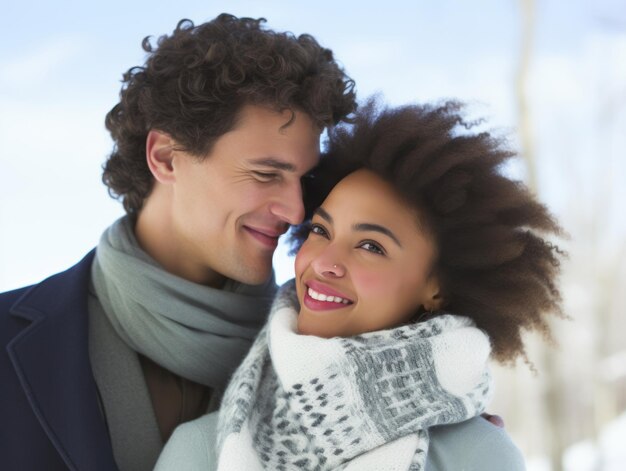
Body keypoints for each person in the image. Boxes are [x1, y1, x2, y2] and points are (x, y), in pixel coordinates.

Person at [0, 13, 356, 471]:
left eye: (302, 180)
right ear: (166, 158)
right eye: (266, 174)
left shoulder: (332, 354)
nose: (294, 211)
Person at [155, 100, 565, 470]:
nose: (326, 263)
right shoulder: (200, 452)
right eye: (319, 230)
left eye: (370, 246)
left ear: (437, 287)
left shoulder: (477, 456)